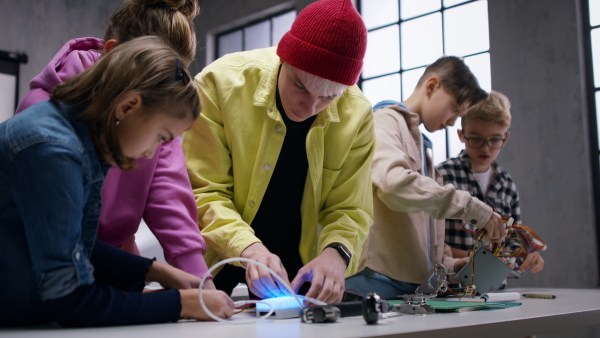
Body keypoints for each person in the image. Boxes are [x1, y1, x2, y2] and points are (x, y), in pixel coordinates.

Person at [0, 36, 234, 327]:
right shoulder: (53, 150)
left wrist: (155, 271)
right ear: (127, 107)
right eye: (161, 136)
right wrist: (181, 304)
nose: (152, 152)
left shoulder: (84, 138)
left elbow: (71, 243)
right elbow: (68, 300)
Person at [183, 0, 374, 304]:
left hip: (301, 276)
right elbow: (203, 191)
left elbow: (350, 209)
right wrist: (250, 249)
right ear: (283, 58)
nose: (309, 107)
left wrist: (336, 255)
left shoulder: (358, 114)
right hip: (219, 263)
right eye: (300, 86)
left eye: (328, 97)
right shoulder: (219, 84)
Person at [15, 0, 214, 287]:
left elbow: (171, 205)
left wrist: (201, 283)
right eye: (153, 82)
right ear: (112, 55)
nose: (150, 150)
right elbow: (58, 245)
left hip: (116, 275)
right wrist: (160, 282)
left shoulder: (155, 118)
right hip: (47, 278)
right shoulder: (44, 123)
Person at [345, 56, 508, 300]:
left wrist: (452, 266)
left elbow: (424, 233)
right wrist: (471, 207)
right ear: (432, 86)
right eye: (454, 108)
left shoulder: (425, 152)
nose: (453, 121)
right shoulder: (385, 121)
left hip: (411, 288)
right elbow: (394, 184)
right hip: (375, 282)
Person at [437, 90, 544, 276]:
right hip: (450, 285)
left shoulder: (507, 185)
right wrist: (470, 258)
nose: (485, 148)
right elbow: (429, 241)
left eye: (494, 139)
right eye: (476, 139)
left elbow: (512, 242)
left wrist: (526, 255)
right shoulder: (441, 176)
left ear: (506, 138)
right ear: (461, 135)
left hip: (494, 291)